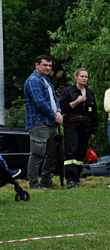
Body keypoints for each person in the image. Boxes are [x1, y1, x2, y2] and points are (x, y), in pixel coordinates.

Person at [24, 55, 63, 190]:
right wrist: (55, 115)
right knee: (37, 153)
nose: (48, 68)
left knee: (52, 153)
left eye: (50, 66)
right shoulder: (33, 81)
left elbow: (54, 100)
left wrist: (58, 111)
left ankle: (46, 181)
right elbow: (39, 103)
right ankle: (34, 184)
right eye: (45, 65)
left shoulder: (46, 81)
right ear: (37, 65)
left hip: (51, 123)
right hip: (39, 123)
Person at [59, 68, 100, 189]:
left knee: (81, 153)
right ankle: (70, 179)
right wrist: (77, 101)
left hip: (85, 127)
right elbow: (62, 109)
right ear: (75, 77)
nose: (84, 79)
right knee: (71, 151)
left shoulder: (90, 93)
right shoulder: (68, 91)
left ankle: (77, 178)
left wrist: (93, 131)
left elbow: (94, 114)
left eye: (86, 77)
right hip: (71, 125)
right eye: (82, 76)